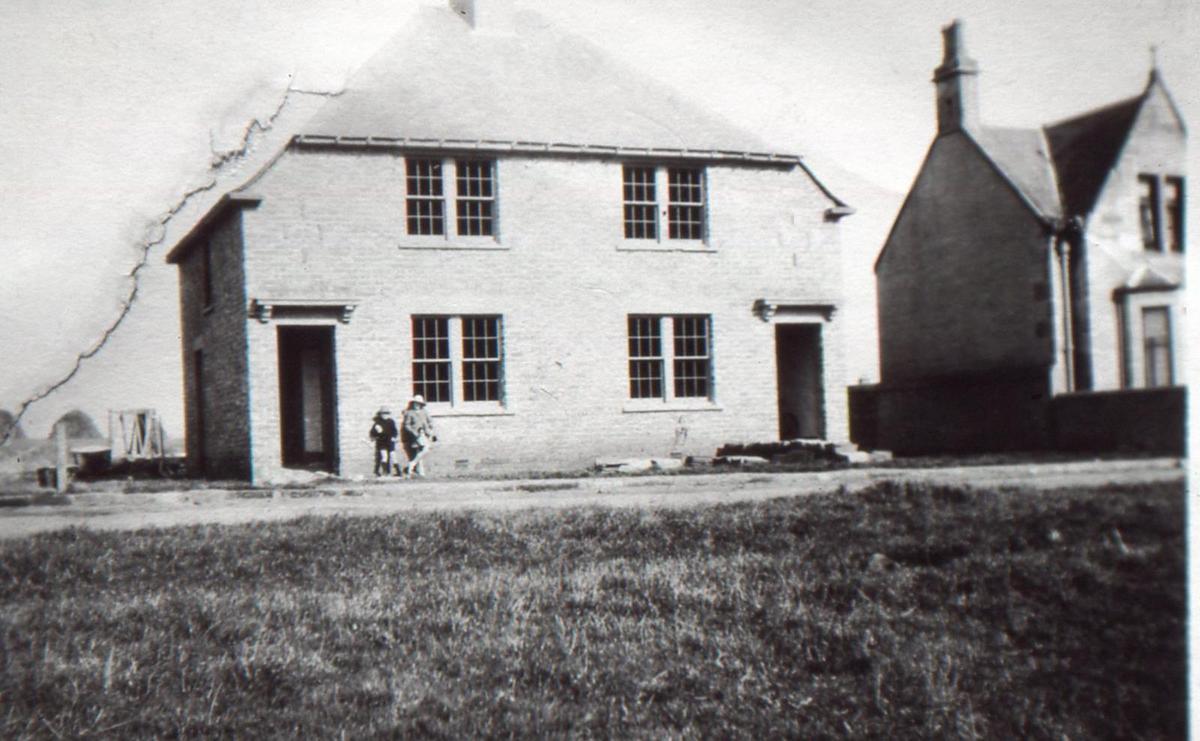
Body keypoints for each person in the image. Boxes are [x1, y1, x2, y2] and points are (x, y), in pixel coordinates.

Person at [401, 394, 436, 478]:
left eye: (419, 404)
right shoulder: (409, 413)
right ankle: (414, 465)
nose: (417, 405)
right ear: (413, 403)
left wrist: (430, 428)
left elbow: (430, 421)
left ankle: (416, 468)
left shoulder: (424, 412)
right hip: (415, 435)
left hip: (424, 433)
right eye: (415, 403)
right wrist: (413, 432)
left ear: (421, 404)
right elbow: (407, 425)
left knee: (422, 450)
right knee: (425, 448)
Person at [369, 407, 399, 476]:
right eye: (383, 413)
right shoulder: (377, 423)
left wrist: (394, 437)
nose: (385, 415)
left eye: (387, 413)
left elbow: (395, 431)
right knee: (384, 456)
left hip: (390, 442)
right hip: (382, 442)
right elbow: (372, 432)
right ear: (380, 414)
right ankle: (385, 472)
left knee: (393, 456)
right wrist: (373, 437)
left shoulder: (391, 421)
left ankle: (398, 471)